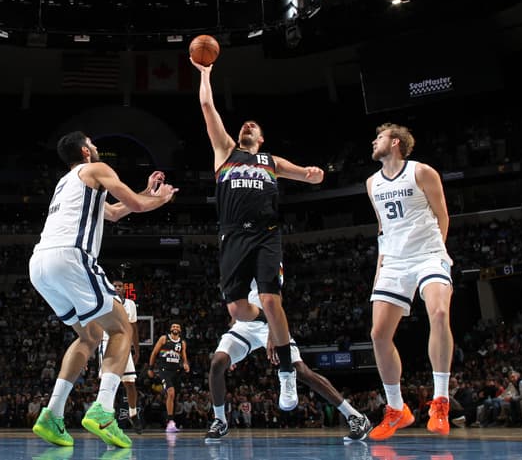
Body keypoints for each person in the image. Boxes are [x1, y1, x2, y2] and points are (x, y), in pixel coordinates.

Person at [29, 131, 177, 449]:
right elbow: (135, 206)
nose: (97, 148)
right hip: (70, 256)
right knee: (121, 327)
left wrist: (145, 191)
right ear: (85, 150)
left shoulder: (66, 182)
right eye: (93, 144)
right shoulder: (97, 169)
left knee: (90, 335)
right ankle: (105, 410)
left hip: (39, 264)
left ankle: (52, 414)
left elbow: (111, 212)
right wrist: (159, 199)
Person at [192, 59, 325, 411]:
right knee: (237, 308)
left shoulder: (271, 161)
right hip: (233, 236)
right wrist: (205, 73)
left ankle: (285, 374)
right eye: (244, 124)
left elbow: (310, 176)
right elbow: (207, 106)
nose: (247, 125)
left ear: (261, 138)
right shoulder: (224, 152)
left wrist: (313, 174)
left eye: (254, 125)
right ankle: (270, 325)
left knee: (269, 299)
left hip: (266, 235)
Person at [365, 124, 453, 440]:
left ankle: (440, 400)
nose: (374, 141)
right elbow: (382, 229)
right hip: (394, 261)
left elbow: (443, 215)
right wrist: (380, 270)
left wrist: (438, 251)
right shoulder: (372, 183)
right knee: (378, 334)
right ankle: (397, 409)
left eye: (380, 137)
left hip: (429, 253)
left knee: (439, 314)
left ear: (396, 142)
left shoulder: (422, 172)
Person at [204, 283, 372, 442]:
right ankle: (220, 420)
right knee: (218, 362)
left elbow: (275, 297)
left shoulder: (264, 254)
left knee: (300, 370)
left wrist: (273, 330)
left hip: (268, 322)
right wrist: (231, 354)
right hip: (243, 326)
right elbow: (235, 307)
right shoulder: (231, 262)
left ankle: (355, 416)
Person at [98, 280, 142, 433]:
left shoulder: (130, 304)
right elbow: (96, 325)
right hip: (107, 342)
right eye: (114, 286)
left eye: (119, 286)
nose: (117, 288)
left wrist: (136, 349)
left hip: (125, 346)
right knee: (108, 383)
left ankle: (133, 414)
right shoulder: (105, 301)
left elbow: (134, 327)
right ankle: (105, 417)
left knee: (130, 383)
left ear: (124, 289)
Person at [148, 322, 190, 432]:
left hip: (176, 372)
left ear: (180, 330)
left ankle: (171, 421)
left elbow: (184, 356)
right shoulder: (164, 338)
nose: (175, 328)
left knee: (173, 396)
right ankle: (170, 422)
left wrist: (186, 364)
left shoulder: (182, 342)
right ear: (170, 329)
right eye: (173, 326)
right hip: (164, 371)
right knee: (171, 393)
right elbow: (154, 353)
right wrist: (150, 368)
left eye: (177, 326)